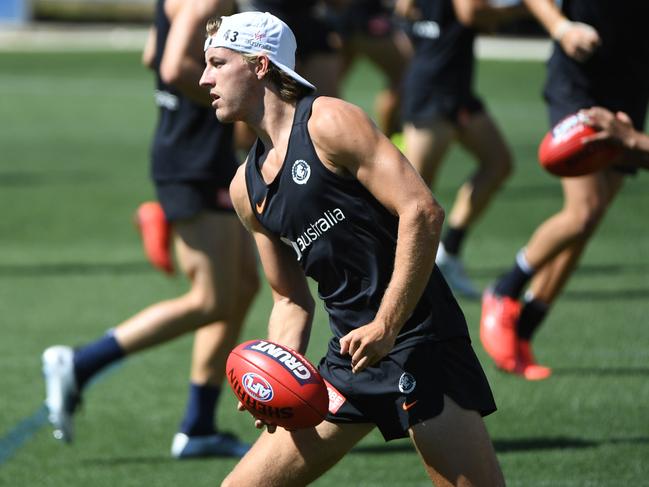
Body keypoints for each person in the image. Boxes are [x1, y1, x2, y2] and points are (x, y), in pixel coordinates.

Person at [199, 11, 504, 486]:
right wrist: (275, 375)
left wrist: (387, 323)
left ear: (260, 65)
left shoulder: (329, 122)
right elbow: (289, 298)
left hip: (418, 342)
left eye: (218, 63)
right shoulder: (247, 187)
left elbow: (422, 212)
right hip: (351, 358)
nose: (204, 78)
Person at [41, 0, 260, 459]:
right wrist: (238, 97)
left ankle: (198, 425)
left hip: (198, 152)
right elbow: (170, 65)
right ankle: (79, 363)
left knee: (240, 287)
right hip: (192, 158)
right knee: (211, 298)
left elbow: (151, 55)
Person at [480, 0, 649, 380]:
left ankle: (524, 333)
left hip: (631, 85)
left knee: (593, 217)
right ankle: (503, 291)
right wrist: (561, 28)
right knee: (584, 210)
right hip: (580, 81)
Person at [396, 0, 527, 299]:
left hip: (455, 88)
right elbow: (472, 11)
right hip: (433, 89)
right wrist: (526, 9)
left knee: (498, 163)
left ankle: (449, 251)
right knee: (412, 198)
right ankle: (393, 279)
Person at [328, 0, 413, 137]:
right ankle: (387, 139)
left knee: (325, 88)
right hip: (360, 21)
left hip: (347, 21)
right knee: (406, 75)